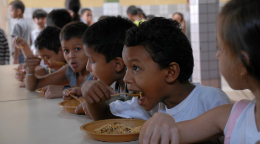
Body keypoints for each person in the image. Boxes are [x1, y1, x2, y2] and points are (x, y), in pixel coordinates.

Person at [139, 0, 260, 144]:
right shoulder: (231, 115)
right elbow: (156, 136)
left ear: (244, 62)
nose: (217, 55)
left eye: (220, 48)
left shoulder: (221, 108)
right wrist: (160, 122)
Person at [82, 17, 231, 122]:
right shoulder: (150, 105)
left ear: (170, 72)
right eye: (127, 68)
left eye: (135, 68)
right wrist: (90, 94)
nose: (126, 78)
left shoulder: (211, 101)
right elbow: (105, 117)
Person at [64, 16, 136, 116]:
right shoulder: (117, 84)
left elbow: (103, 115)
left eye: (92, 61)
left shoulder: (136, 92)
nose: (87, 67)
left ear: (117, 64)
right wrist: (85, 91)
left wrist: (91, 103)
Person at [24, 22, 92, 95]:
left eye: (77, 49)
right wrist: (30, 69)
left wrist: (65, 89)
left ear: (90, 48)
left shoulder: (95, 72)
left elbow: (100, 93)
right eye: (66, 50)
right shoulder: (68, 70)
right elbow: (34, 85)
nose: (70, 56)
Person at [13, 26, 69, 98]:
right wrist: (30, 70)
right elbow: (35, 81)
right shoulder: (51, 69)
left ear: (62, 50)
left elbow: (35, 84)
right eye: (43, 58)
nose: (45, 63)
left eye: (47, 58)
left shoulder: (70, 68)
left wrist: (32, 78)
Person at [9, 0, 32, 64]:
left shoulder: (17, 25)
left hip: (19, 56)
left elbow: (16, 43)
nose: (10, 13)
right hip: (27, 54)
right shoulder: (27, 24)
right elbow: (30, 41)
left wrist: (16, 59)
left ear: (18, 11)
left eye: (11, 10)